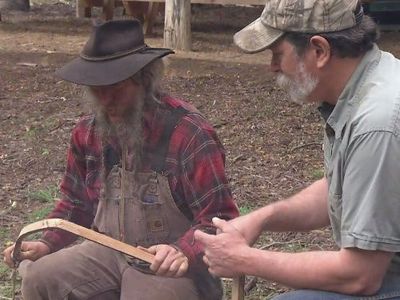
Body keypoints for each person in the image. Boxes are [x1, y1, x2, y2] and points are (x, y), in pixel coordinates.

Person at [3, 19, 239, 300]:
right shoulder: (86, 133)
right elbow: (76, 203)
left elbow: (220, 220)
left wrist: (181, 250)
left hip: (170, 267)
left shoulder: (188, 134)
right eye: (96, 89)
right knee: (39, 277)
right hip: (108, 250)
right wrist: (46, 244)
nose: (104, 101)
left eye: (114, 89)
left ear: (144, 80)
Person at [194, 0, 400, 299]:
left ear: (319, 51)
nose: (272, 66)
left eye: (278, 54)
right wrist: (262, 218)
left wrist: (244, 259)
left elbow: (360, 275)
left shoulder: (377, 121)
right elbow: (341, 188)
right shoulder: (368, 82)